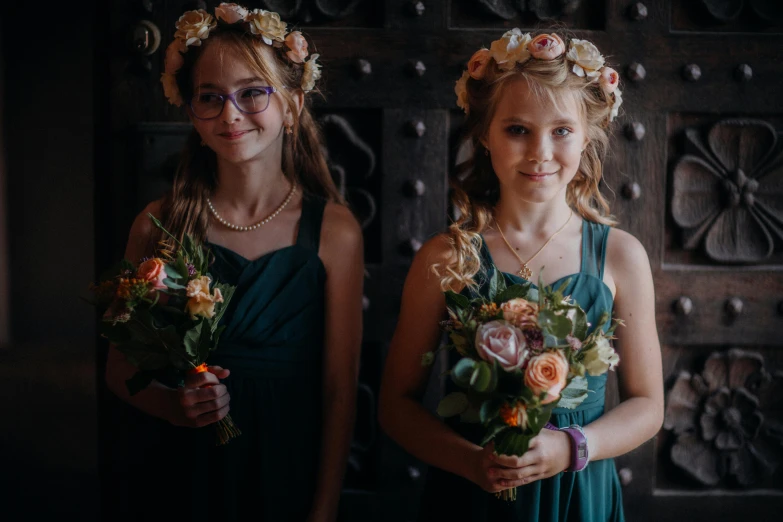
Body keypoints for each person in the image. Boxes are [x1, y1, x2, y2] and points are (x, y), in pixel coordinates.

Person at [378, 30, 663, 522]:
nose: (539, 152)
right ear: (485, 133)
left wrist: (575, 446)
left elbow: (647, 405)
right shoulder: (446, 257)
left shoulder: (620, 256)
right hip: (472, 494)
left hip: (578, 490)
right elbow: (396, 405)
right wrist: (470, 462)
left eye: (561, 130)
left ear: (588, 135)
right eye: (517, 130)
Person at [104, 5, 363, 522]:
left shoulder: (335, 232)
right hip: (184, 470)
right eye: (210, 97)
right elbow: (119, 370)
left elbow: (339, 392)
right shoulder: (156, 227)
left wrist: (325, 508)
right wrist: (171, 406)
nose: (230, 114)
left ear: (290, 106)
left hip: (288, 465)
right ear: (190, 112)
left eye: (251, 93)